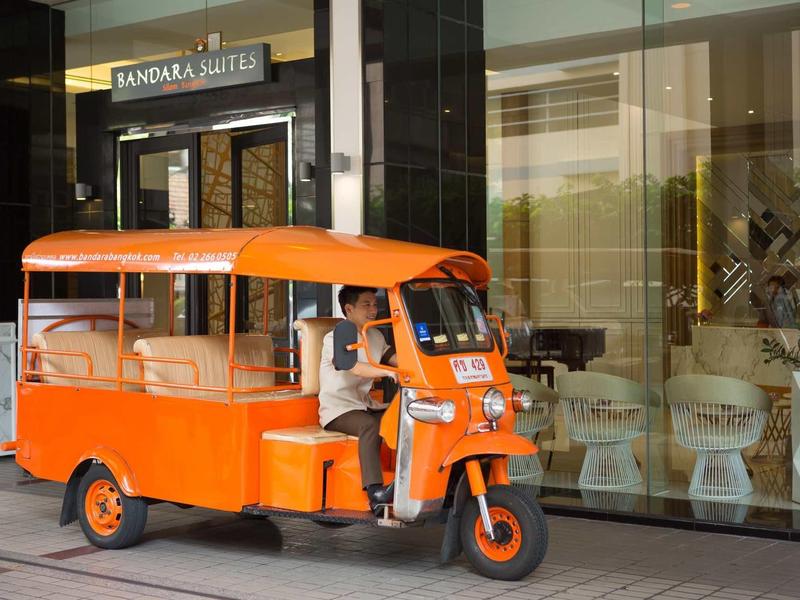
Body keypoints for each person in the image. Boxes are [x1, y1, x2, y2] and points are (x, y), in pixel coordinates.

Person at [318, 285, 398, 514]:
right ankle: (374, 491)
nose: (373, 310)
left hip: (364, 405)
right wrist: (388, 372)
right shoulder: (334, 338)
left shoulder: (375, 335)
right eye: (366, 304)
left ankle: (407, 480)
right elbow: (353, 366)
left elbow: (395, 358)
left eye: (375, 304)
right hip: (338, 409)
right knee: (370, 426)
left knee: (406, 418)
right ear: (349, 309)